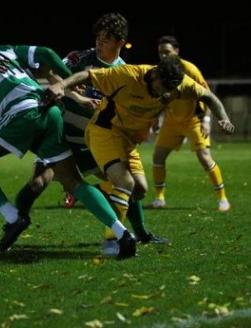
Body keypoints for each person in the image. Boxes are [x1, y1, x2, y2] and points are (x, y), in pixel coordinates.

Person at [0, 34, 137, 259]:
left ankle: (13, 217)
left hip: (22, 112)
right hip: (49, 108)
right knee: (73, 181)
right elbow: (45, 53)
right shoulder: (8, 47)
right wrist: (71, 79)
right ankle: (123, 235)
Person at [44, 55, 235, 255]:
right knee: (125, 183)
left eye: (170, 91)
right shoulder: (128, 75)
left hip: (128, 140)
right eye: (162, 87)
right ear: (155, 74)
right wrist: (61, 85)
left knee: (140, 190)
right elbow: (87, 75)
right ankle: (111, 242)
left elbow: (209, 97)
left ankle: (87, 195)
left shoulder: (176, 85)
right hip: (105, 132)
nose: (164, 94)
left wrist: (223, 118)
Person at [14, 13, 169, 252]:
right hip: (61, 136)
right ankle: (14, 224)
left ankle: (141, 234)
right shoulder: (80, 58)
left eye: (106, 39)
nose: (99, 43)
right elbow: (50, 72)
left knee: (132, 187)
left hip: (93, 142)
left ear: (120, 41)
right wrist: (76, 95)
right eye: (98, 38)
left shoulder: (125, 71)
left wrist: (149, 119)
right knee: (36, 183)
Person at [151, 35, 231, 211]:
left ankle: (222, 199)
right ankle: (159, 199)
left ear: (177, 51)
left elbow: (208, 95)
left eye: (167, 52)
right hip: (172, 121)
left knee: (205, 158)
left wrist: (207, 120)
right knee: (157, 158)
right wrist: (156, 116)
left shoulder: (189, 69)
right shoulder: (159, 70)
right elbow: (160, 96)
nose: (163, 56)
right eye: (160, 53)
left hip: (193, 120)